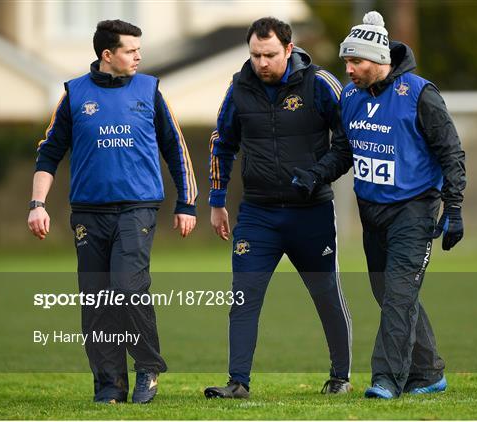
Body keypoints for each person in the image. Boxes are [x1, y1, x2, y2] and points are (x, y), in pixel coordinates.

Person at [293, 11, 466, 399]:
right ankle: (429, 372)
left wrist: (454, 209)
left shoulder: (420, 94)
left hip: (415, 209)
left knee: (399, 294)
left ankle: (386, 379)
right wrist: (315, 174)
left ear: (379, 59)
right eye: (346, 61)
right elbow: (344, 151)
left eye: (356, 61)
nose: (349, 69)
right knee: (386, 293)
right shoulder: (351, 97)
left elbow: (452, 153)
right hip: (372, 211)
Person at [27, 20, 198, 404]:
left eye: (139, 49)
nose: (138, 56)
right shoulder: (74, 94)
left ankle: (147, 368)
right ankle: (109, 385)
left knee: (126, 287)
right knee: (97, 301)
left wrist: (187, 203)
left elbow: (177, 149)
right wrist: (37, 205)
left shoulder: (150, 89)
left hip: (137, 207)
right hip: (88, 213)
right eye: (130, 50)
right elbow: (48, 153)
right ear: (107, 55)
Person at [204, 17, 353, 399]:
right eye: (255, 55)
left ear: (289, 49)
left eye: (269, 55)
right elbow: (222, 143)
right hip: (258, 215)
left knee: (326, 293)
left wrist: (317, 175)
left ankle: (340, 375)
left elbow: (349, 142)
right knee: (243, 297)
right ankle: (238, 382)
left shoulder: (320, 84)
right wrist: (218, 202)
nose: (262, 63)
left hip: (312, 213)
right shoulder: (238, 88)